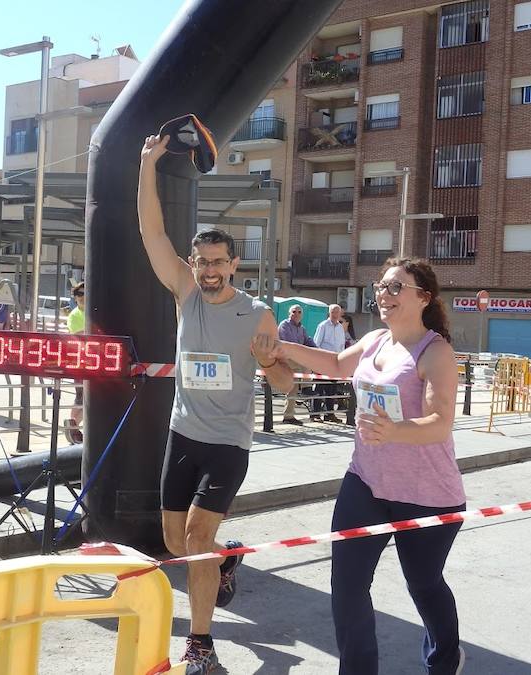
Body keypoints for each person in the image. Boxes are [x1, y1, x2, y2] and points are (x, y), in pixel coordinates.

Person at [256, 257, 466, 675]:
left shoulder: (435, 351)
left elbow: (440, 422)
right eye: (381, 286)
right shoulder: (374, 341)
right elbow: (335, 365)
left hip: (426, 493)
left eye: (395, 288)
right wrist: (280, 349)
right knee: (347, 586)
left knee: (423, 584)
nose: (383, 295)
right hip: (366, 482)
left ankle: (445, 659)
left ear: (423, 297)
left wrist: (394, 431)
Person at [139, 133, 293, 675]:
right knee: (173, 541)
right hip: (183, 435)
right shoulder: (184, 292)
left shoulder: (258, 315)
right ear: (192, 262)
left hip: (229, 444)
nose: (208, 270)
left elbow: (286, 388)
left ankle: (201, 643)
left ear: (233, 265)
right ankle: (226, 561)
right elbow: (151, 230)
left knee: (197, 537)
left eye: (218, 262)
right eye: (201, 260)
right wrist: (149, 164)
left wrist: (269, 361)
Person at [278, 304, 316, 425]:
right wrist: (304, 351)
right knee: (307, 361)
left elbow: (308, 340)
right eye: (294, 311)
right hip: (286, 358)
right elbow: (289, 343)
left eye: (299, 312)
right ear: (289, 313)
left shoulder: (302, 328)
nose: (297, 314)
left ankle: (288, 416)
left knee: (292, 389)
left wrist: (318, 351)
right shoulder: (284, 325)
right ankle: (306, 387)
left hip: (296, 360)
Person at [311, 304, 345, 423]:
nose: (335, 314)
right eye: (333, 312)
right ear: (329, 313)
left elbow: (341, 346)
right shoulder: (323, 326)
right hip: (323, 361)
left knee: (331, 389)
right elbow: (316, 344)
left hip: (335, 362)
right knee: (319, 389)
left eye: (337, 312)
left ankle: (329, 414)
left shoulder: (340, 327)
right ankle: (315, 414)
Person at [63, 281, 85, 444]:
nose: (82, 297)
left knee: (89, 397)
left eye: (85, 294)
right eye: (79, 294)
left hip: (96, 362)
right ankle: (73, 426)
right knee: (80, 396)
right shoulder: (74, 315)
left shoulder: (95, 313)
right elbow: (80, 335)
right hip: (80, 361)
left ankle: (73, 426)